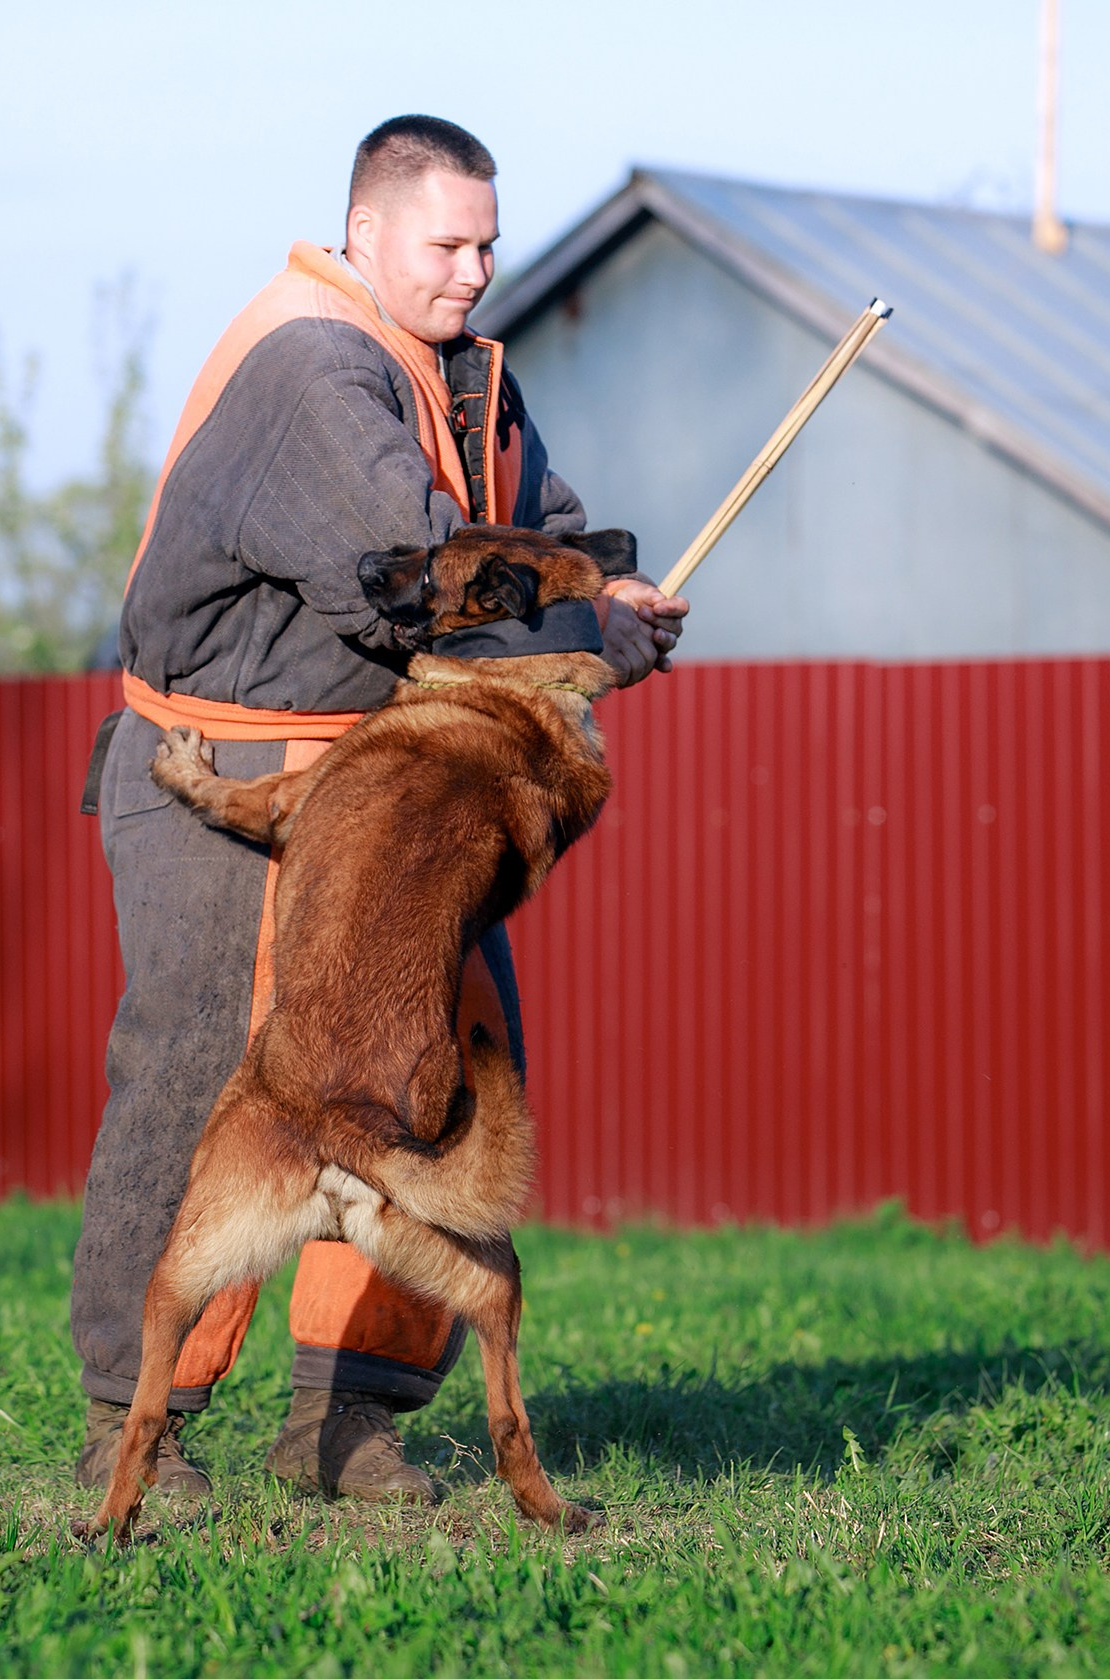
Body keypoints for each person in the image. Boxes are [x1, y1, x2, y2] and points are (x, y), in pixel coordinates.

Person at [70, 114, 687, 1504]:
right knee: (200, 1087)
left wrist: (612, 586)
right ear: (366, 234)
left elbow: (548, 534)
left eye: (487, 242)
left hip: (393, 783)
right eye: (446, 243)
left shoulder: (468, 377)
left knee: (431, 1083)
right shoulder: (314, 364)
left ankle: (348, 1421)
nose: (473, 270)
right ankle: (135, 1428)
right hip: (225, 771)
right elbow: (422, 580)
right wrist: (600, 633)